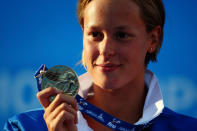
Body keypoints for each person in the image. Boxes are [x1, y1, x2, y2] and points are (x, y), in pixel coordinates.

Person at [4, 0, 197, 130]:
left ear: (152, 39)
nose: (105, 49)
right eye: (95, 34)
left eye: (121, 35)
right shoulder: (23, 127)